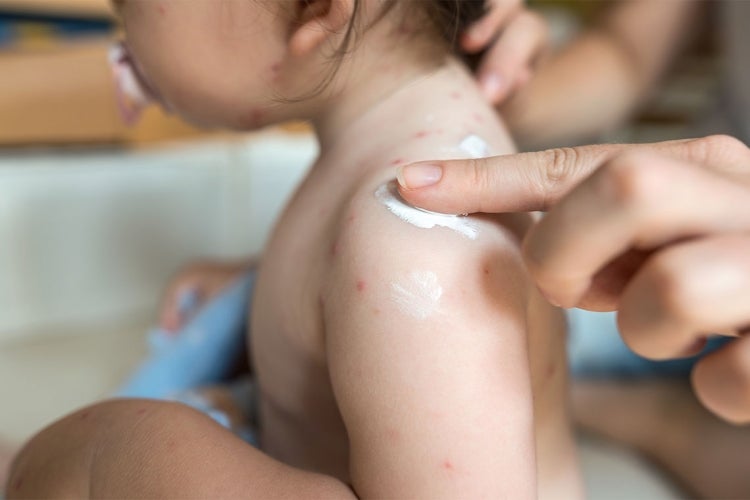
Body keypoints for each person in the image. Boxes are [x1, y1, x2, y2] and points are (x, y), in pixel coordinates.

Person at [6, 0, 581, 498]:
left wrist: (121, 453)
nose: (123, 27)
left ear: (314, 6)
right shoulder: (384, 165)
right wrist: (269, 291)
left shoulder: (414, 247)